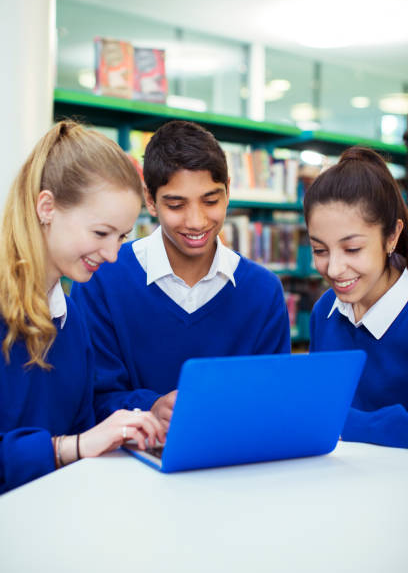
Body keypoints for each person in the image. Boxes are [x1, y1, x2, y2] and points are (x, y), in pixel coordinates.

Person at [71, 120, 290, 429]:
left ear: (228, 190)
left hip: (235, 463)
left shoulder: (263, 291)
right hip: (127, 467)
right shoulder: (103, 278)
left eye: (211, 201)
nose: (197, 221)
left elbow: (273, 399)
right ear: (150, 200)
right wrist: (149, 408)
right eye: (176, 204)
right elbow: (89, 399)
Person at [0, 121, 165, 495]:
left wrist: (125, 429)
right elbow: (73, 443)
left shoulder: (71, 321)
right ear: (47, 207)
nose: (111, 255)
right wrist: (71, 447)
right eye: (100, 233)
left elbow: (82, 426)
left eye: (122, 237)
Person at [304, 145, 408, 448]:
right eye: (320, 250)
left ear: (392, 236)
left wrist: (338, 423)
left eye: (352, 249)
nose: (334, 269)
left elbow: (321, 417)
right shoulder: (325, 310)